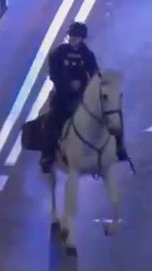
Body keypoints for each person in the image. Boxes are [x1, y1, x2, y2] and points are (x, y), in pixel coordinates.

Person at [38, 22, 126, 169]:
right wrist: (67, 85)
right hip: (62, 95)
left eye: (76, 37)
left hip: (83, 95)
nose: (73, 39)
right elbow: (54, 74)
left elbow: (94, 74)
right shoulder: (58, 53)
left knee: (112, 114)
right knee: (50, 119)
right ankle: (48, 154)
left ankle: (119, 147)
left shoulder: (87, 55)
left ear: (82, 38)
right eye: (71, 36)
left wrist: (88, 85)